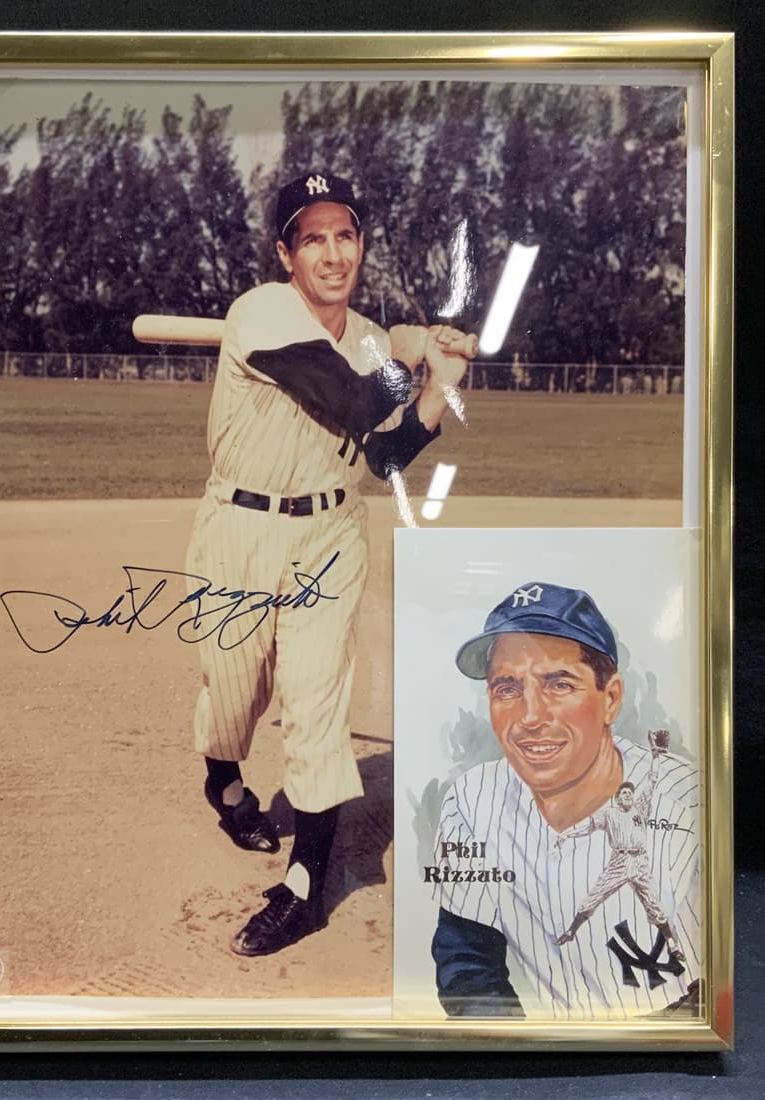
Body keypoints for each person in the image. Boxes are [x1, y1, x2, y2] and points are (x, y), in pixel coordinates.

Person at [186, 171, 472, 958]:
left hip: (331, 535)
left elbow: (381, 454)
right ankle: (225, 782)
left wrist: (437, 392)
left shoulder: (372, 335)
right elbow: (349, 396)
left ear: (361, 244)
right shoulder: (261, 312)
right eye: (312, 237)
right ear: (287, 253)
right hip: (241, 527)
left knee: (316, 706)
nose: (332, 251)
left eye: (344, 234)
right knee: (233, 692)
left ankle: (306, 887)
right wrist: (410, 352)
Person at [429, 582, 699, 1019]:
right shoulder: (470, 800)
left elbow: (723, 988)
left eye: (558, 684)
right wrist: (515, 1053)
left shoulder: (688, 798)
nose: (531, 717)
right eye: (507, 688)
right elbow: (466, 957)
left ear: (610, 698)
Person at [554, 730, 685, 962]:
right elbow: (587, 827)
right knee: (595, 895)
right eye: (623, 793)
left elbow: (652, 781)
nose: (627, 795)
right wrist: (567, 834)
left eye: (629, 793)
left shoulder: (640, 809)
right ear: (617, 798)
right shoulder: (610, 814)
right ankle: (571, 930)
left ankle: (673, 943)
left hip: (639, 861)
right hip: (619, 860)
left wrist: (655, 757)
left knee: (654, 904)